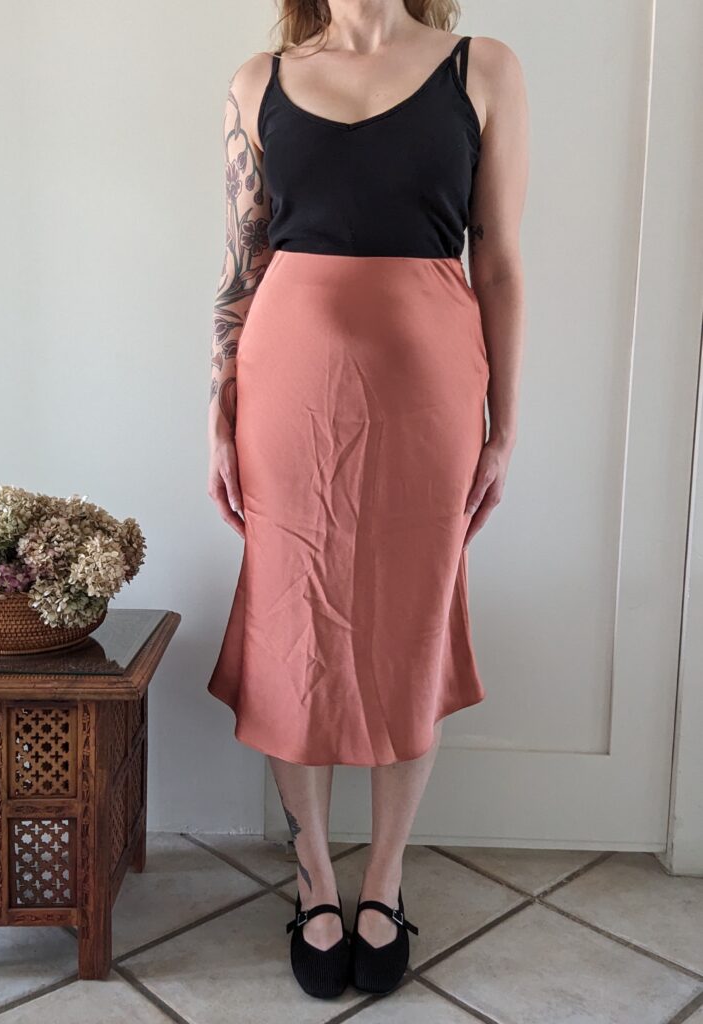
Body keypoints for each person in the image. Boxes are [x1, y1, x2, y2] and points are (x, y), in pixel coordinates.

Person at [206, 0, 528, 1000]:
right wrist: (216, 413)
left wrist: (503, 425)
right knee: (289, 624)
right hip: (283, 388)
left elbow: (498, 261)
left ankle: (383, 878)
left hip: (429, 388)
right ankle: (313, 878)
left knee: (407, 623)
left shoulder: (481, 69)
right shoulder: (258, 82)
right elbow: (241, 264)